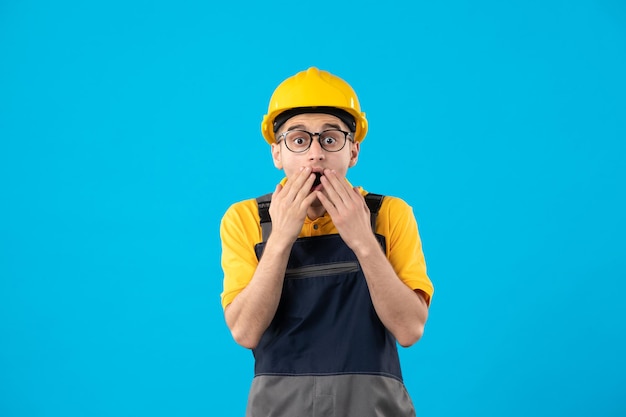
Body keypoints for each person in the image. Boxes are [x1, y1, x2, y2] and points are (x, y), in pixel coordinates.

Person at [220, 67, 434, 417]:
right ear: (278, 154)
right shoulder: (245, 220)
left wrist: (363, 239)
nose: (316, 154)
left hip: (374, 408)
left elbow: (410, 330)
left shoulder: (390, 214)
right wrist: (281, 238)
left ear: (353, 152)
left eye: (330, 139)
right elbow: (245, 332)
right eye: (299, 140)